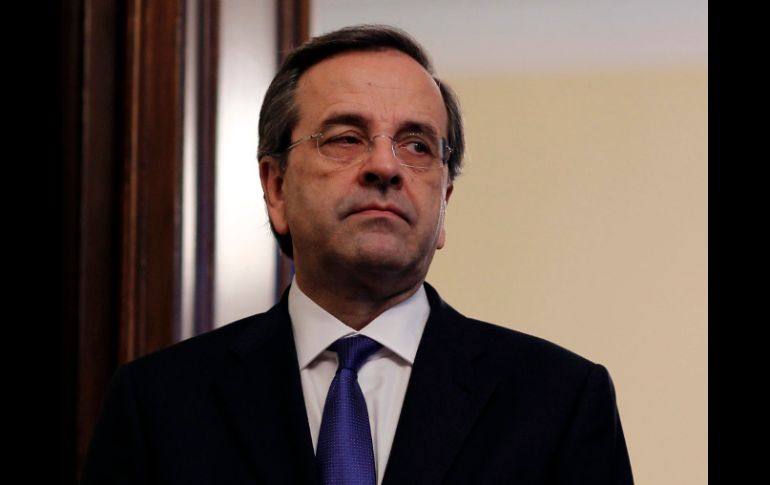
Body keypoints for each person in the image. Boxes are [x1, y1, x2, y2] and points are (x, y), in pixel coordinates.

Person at [81, 24, 634, 484]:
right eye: (346, 137)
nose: (385, 167)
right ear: (276, 188)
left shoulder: (559, 401)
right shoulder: (158, 404)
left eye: (417, 145)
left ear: (444, 202)